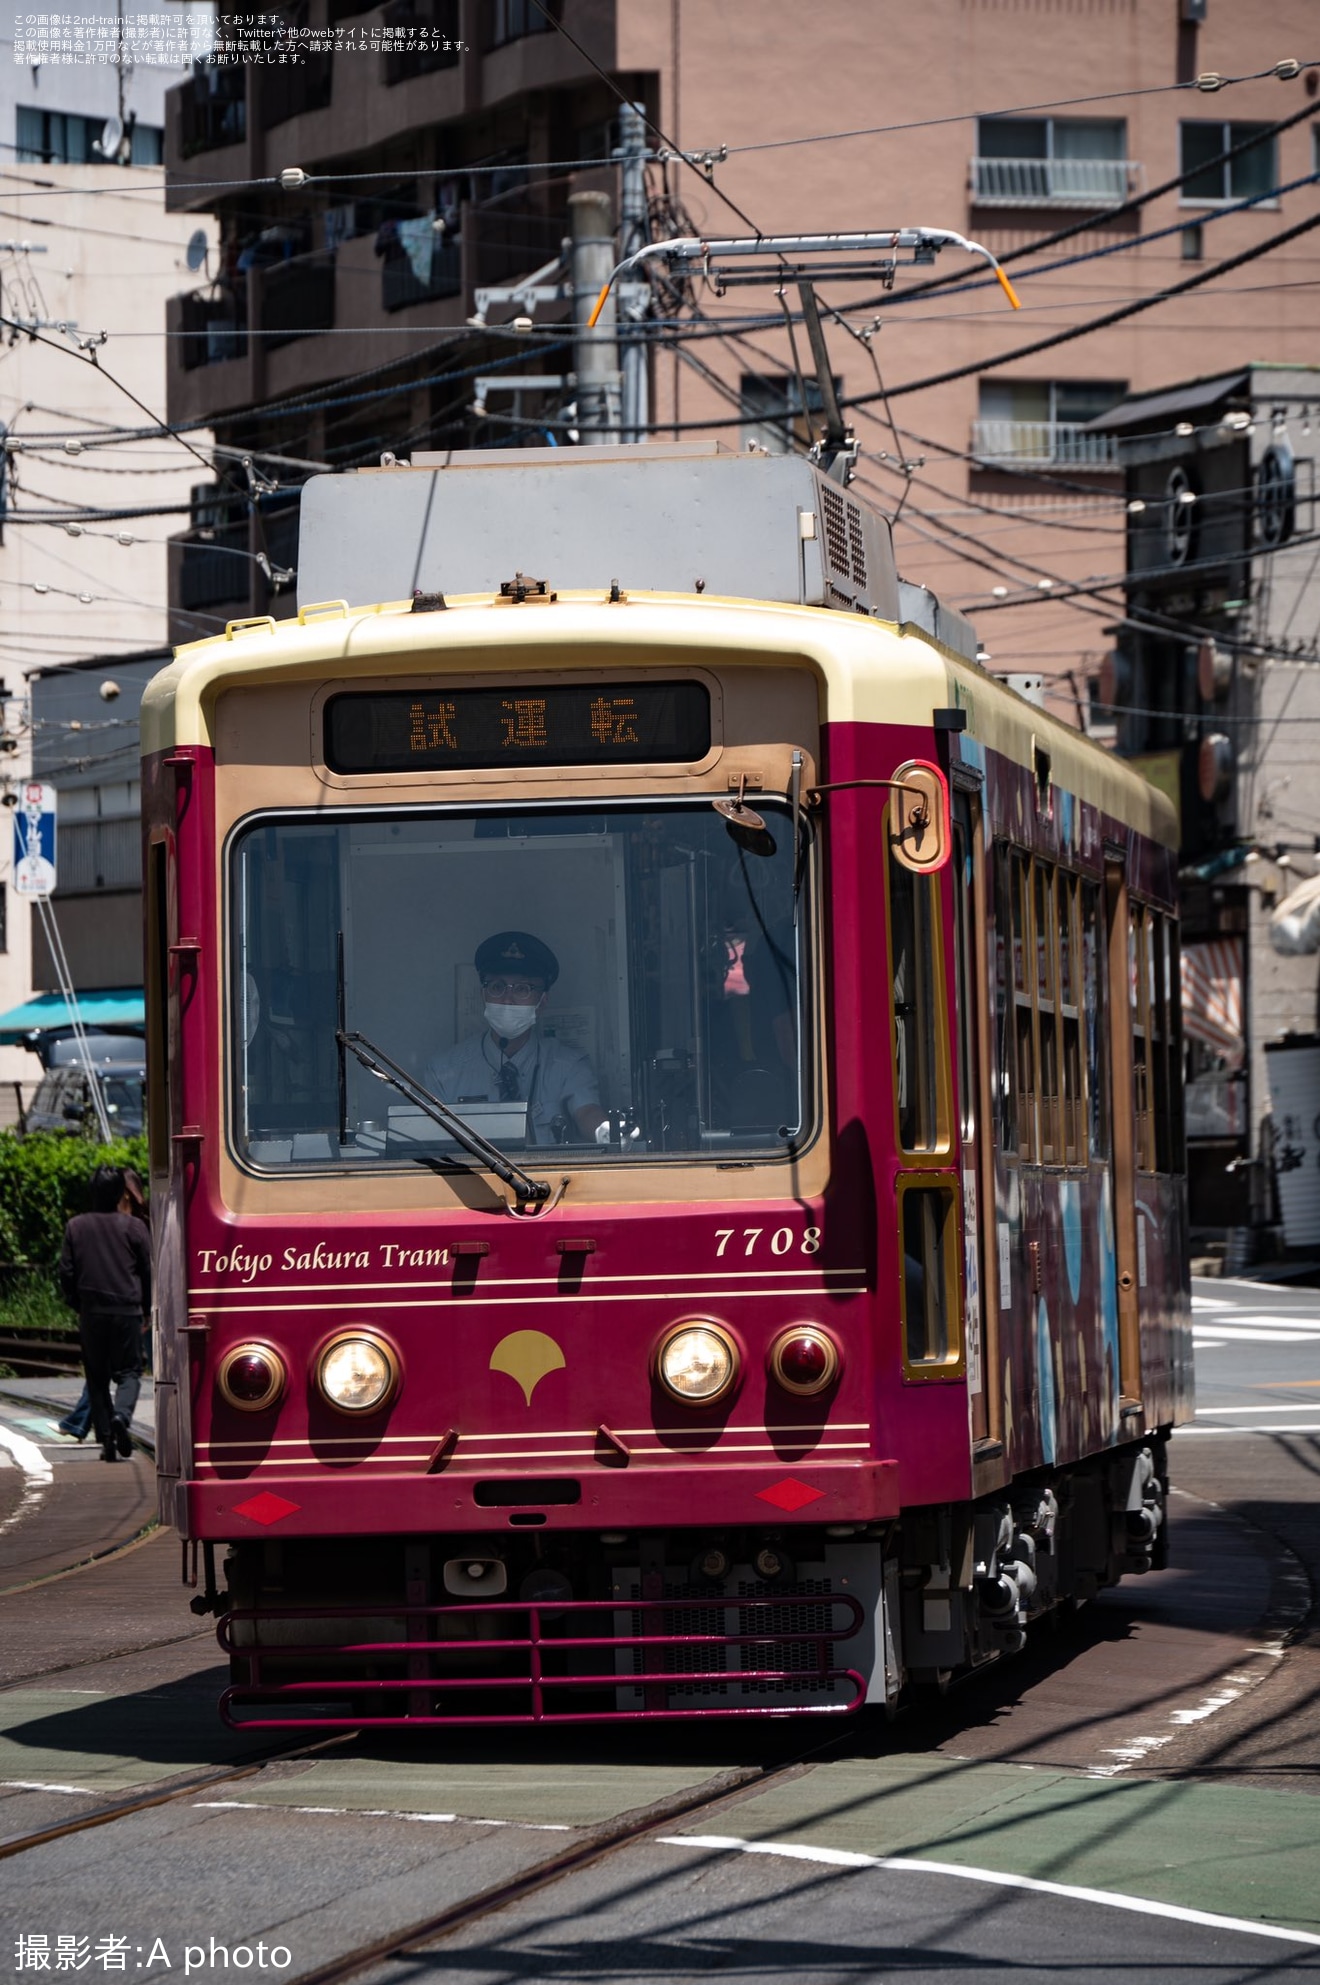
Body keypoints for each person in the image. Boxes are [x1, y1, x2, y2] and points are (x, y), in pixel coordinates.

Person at [422, 930, 606, 1146]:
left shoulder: (568, 1066)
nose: (507, 999)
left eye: (522, 989)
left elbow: (587, 1112)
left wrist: (605, 1131)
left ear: (542, 1002)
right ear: (483, 995)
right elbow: (428, 1146)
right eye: (497, 987)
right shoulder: (444, 1071)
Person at [58, 1165, 151, 1464]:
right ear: (118, 1194)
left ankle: (108, 1442)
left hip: (92, 1313)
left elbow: (66, 1273)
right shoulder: (134, 1227)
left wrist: (77, 1303)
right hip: (127, 1311)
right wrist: (147, 1308)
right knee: (130, 1373)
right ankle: (122, 1417)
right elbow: (147, 1272)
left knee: (97, 1379)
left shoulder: (76, 1226)